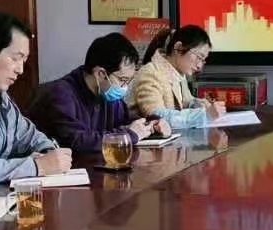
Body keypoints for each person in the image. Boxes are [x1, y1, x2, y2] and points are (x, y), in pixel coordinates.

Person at [0, 11, 72, 183]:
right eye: (15, 58)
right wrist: (37, 166)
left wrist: (49, 152)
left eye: (24, 61)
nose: (20, 70)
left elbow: (28, 136)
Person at [27, 33, 170, 152]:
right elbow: (78, 141)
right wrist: (129, 135)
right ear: (101, 74)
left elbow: (127, 120)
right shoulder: (60, 95)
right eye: (123, 80)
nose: (125, 87)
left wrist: (153, 123)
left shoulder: (107, 94)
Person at [128, 25, 226, 130]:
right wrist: (203, 115)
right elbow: (156, 116)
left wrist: (199, 104)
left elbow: (187, 101)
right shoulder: (150, 73)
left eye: (203, 60)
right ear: (179, 48)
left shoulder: (179, 73)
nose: (199, 66)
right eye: (199, 57)